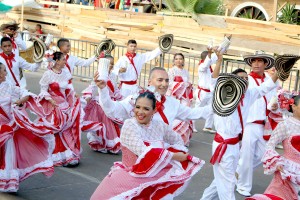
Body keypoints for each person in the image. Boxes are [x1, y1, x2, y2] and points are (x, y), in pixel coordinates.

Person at [90, 91, 204, 199]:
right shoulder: (129, 126)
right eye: (138, 107)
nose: (140, 112)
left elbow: (177, 140)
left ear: (154, 110)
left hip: (156, 175)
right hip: (131, 177)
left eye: (146, 109)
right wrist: (174, 156)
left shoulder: (159, 125)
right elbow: (144, 152)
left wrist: (174, 151)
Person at [201, 66, 279, 200]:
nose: (244, 80)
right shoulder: (222, 94)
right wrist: (219, 60)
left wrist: (279, 71)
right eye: (240, 78)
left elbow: (266, 86)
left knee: (222, 180)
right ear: (233, 81)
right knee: (229, 184)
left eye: (246, 78)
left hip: (235, 145)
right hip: (223, 145)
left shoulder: (249, 94)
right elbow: (214, 81)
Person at [94, 66, 211, 130]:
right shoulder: (135, 99)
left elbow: (194, 113)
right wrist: (103, 90)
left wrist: (219, 105)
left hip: (163, 157)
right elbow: (111, 109)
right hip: (140, 156)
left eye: (166, 80)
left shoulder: (172, 103)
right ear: (150, 82)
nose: (164, 84)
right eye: (160, 80)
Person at [0, 63, 54, 192]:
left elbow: (25, 93)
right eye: (3, 71)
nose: (6, 73)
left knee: (8, 153)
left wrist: (20, 101)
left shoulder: (9, 86)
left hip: (9, 126)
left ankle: (8, 182)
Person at [236, 51, 278, 197]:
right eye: (254, 61)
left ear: (265, 64)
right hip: (248, 123)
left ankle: (238, 172)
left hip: (264, 124)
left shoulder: (269, 78)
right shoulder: (246, 80)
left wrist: (275, 106)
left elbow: (274, 97)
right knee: (246, 156)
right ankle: (242, 185)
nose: (256, 64)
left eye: (260, 61)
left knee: (263, 155)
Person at [246, 95, 300, 200]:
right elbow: (270, 144)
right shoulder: (286, 125)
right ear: (294, 106)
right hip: (287, 172)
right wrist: (276, 161)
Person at [39, 52, 82, 167]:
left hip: (64, 105)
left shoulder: (66, 72)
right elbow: (43, 90)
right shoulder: (48, 74)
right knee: (56, 132)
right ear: (57, 61)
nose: (65, 61)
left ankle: (69, 155)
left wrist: (74, 94)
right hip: (53, 107)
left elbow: (68, 87)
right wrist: (49, 99)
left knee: (67, 130)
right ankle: (57, 156)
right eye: (63, 59)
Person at [82, 54, 123, 153]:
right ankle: (103, 144)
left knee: (111, 125)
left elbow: (115, 88)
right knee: (106, 125)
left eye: (112, 64)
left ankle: (109, 144)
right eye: (109, 64)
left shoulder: (113, 75)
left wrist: (120, 97)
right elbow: (92, 87)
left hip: (111, 103)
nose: (111, 66)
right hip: (101, 105)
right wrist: (86, 99)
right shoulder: (99, 74)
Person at [167, 53, 194, 145]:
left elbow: (187, 83)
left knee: (184, 115)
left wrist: (189, 85)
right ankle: (173, 138)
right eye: (177, 59)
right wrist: (182, 85)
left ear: (183, 60)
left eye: (180, 59)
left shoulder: (185, 72)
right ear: (174, 61)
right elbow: (169, 83)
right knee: (174, 116)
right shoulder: (171, 71)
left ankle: (183, 138)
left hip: (184, 97)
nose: (179, 61)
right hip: (174, 96)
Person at [195, 49, 218, 133]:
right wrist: (209, 54)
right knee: (197, 109)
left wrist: (223, 46)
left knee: (211, 109)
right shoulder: (202, 66)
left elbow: (215, 57)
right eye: (209, 58)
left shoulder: (209, 67)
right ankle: (191, 125)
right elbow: (207, 63)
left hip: (210, 92)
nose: (212, 60)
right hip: (202, 92)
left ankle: (208, 126)